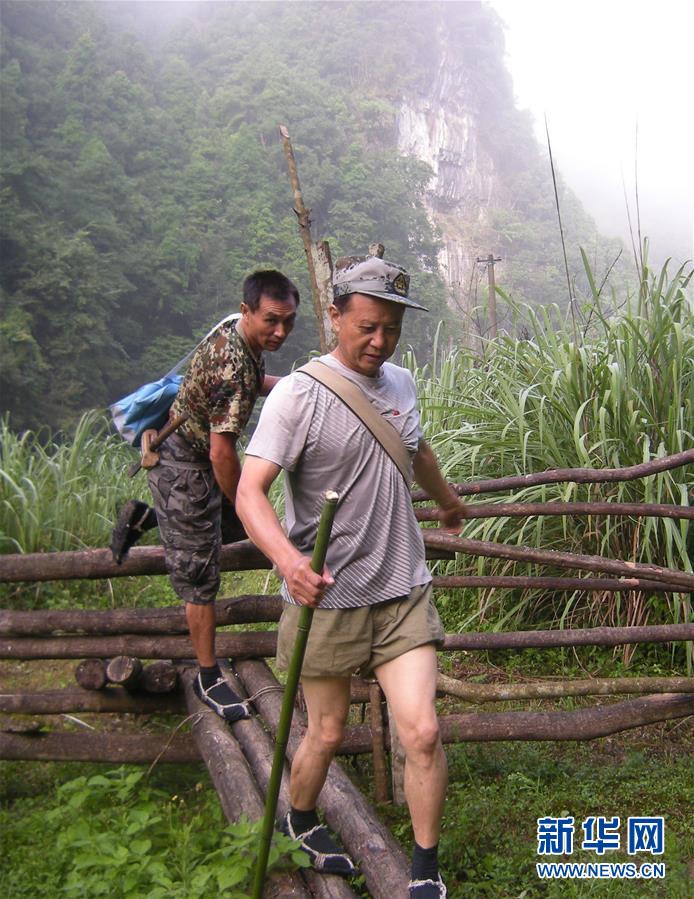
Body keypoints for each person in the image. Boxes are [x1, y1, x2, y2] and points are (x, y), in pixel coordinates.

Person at [235, 255, 466, 898]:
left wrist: (446, 501)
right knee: (327, 732)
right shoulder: (298, 395)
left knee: (421, 730)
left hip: (402, 588)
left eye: (391, 329)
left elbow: (416, 450)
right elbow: (250, 491)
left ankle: (424, 870)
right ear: (335, 315)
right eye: (367, 326)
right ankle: (303, 819)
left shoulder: (402, 384)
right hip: (331, 596)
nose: (379, 342)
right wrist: (288, 563)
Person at [111, 269, 299, 722]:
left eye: (289, 322)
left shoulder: (235, 336)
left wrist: (296, 384)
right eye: (271, 320)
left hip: (190, 452)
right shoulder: (231, 366)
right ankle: (208, 674)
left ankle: (153, 517)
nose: (280, 332)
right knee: (200, 573)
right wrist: (244, 501)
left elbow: (253, 382)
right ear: (246, 311)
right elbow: (222, 454)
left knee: (227, 526)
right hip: (185, 464)